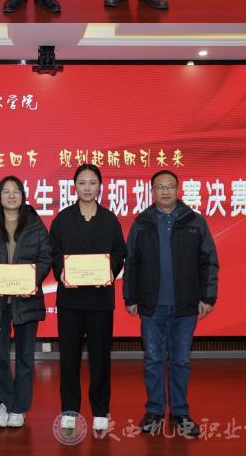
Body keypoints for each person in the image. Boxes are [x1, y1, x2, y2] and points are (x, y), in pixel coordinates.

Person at [123, 170, 219, 437]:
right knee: (153, 360)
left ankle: (180, 413)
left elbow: (208, 261)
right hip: (151, 305)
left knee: (180, 361)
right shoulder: (142, 223)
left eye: (169, 186)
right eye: (159, 187)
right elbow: (132, 263)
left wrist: (208, 297)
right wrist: (130, 297)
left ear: (178, 189)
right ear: (152, 191)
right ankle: (154, 412)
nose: (165, 191)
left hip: (185, 306)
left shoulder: (195, 221)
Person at [49, 164, 127, 433]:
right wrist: (61, 271)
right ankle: (69, 410)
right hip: (70, 300)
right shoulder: (63, 219)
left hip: (100, 299)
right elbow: (52, 251)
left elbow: (119, 251)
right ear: (74, 187)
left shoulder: (110, 219)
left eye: (92, 183)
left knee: (100, 357)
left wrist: (109, 270)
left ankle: (100, 410)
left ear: (100, 187)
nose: (87, 188)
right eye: (82, 183)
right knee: (69, 357)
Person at [0, 175, 52, 428]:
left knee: (26, 358)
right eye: (6, 191)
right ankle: (5, 403)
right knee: (0, 357)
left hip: (26, 300)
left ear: (23, 196)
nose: (11, 195)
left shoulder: (35, 226)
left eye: (16, 191)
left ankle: (20, 407)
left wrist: (32, 280)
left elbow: (46, 257)